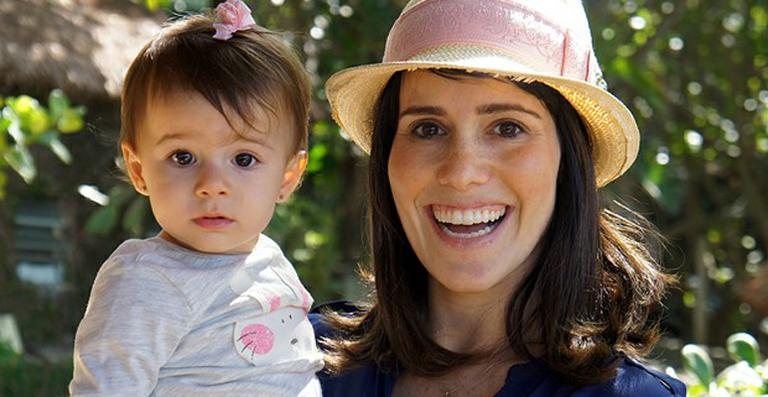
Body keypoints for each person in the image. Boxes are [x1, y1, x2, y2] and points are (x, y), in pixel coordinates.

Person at [311, 0, 687, 396]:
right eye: (427, 129)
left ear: (570, 160)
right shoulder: (285, 356)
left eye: (507, 128)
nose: (461, 173)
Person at [69, 1, 323, 395]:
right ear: (139, 170)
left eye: (244, 158)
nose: (212, 184)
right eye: (182, 157)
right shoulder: (145, 280)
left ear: (288, 176)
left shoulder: (270, 261)